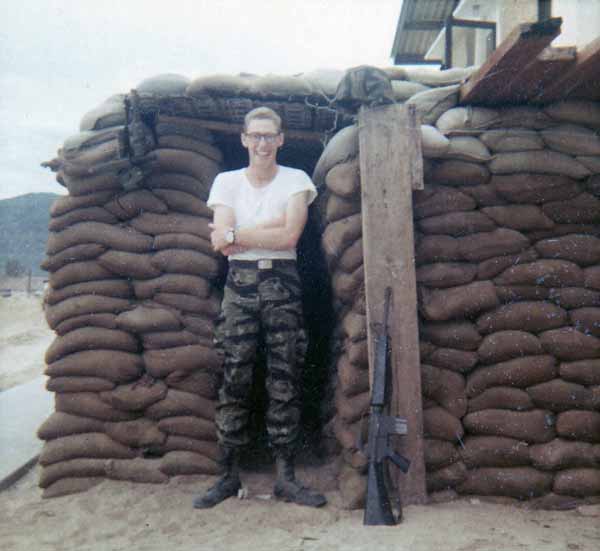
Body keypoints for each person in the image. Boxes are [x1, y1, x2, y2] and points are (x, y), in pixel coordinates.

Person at [193, 107, 326, 509]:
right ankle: (227, 474)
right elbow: (221, 244)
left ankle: (285, 476)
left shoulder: (296, 180)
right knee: (234, 372)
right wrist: (240, 235)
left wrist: (235, 232)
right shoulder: (226, 182)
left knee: (285, 372)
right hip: (241, 284)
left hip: (282, 282)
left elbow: (289, 237)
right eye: (256, 136)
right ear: (244, 139)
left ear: (281, 140)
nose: (263, 143)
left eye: (270, 136)